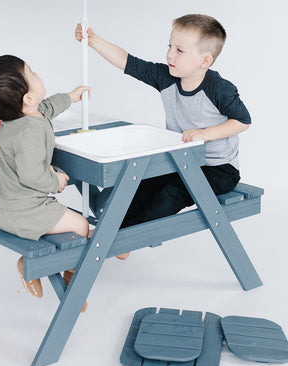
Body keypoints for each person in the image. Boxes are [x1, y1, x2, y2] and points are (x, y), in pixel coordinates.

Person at [75, 14, 251, 232]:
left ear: (205, 60)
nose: (169, 54)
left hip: (218, 170)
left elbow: (243, 121)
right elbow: (129, 62)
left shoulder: (219, 88)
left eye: (179, 50)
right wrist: (93, 40)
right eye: (170, 46)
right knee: (143, 183)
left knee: (173, 192)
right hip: (179, 160)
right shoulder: (167, 77)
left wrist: (206, 133)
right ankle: (112, 231)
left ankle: (119, 237)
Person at [0, 55, 90, 300]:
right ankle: (36, 266)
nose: (37, 74)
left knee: (66, 221)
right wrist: (56, 182)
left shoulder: (16, 118)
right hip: (23, 213)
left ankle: (66, 270)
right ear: (27, 98)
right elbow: (31, 175)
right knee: (81, 225)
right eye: (32, 73)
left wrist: (70, 97)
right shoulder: (29, 132)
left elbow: (46, 107)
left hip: (6, 207)